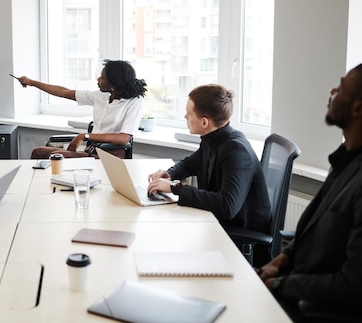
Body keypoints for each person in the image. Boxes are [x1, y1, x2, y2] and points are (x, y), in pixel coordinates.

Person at [258, 64, 362, 321]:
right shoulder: (344, 161)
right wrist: (281, 259)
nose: (332, 91)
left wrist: (279, 285)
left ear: (357, 108)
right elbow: (313, 232)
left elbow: (352, 285)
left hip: (311, 309)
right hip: (292, 287)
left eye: (340, 87)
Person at [147, 84, 271, 233]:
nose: (185, 117)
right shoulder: (212, 138)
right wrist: (170, 174)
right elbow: (190, 163)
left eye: (189, 114)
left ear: (204, 122)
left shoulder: (237, 151)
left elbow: (227, 206)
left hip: (238, 231)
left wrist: (175, 188)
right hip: (217, 221)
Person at [17, 60, 147, 159]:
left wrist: (84, 136)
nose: (98, 79)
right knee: (38, 152)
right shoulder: (100, 96)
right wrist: (32, 82)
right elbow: (64, 92)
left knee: (56, 156)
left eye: (102, 78)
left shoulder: (134, 102)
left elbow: (124, 138)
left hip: (111, 156)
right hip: (91, 151)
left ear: (113, 85)